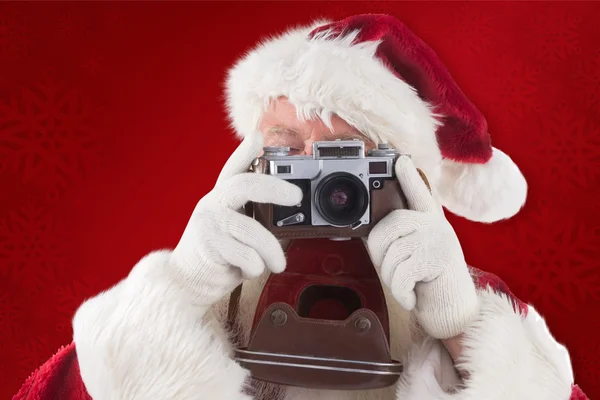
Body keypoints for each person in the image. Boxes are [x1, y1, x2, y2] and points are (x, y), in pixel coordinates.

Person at [14, 14, 589, 400]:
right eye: (286, 149)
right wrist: (181, 293)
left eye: (348, 160)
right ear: (245, 159)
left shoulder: (465, 300)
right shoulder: (207, 295)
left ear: (413, 179)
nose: (320, 182)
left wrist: (465, 335)